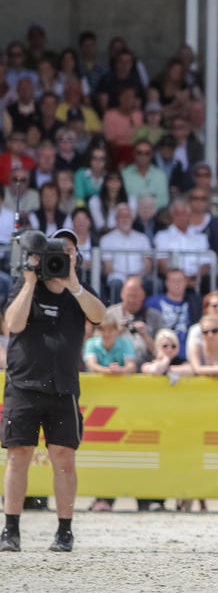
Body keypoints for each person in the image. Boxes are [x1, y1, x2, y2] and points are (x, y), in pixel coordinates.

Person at [1, 228, 105, 553]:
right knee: (18, 456)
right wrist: (31, 280)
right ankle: (10, 529)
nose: (63, 254)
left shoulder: (79, 293)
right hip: (23, 384)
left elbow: (100, 315)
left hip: (63, 387)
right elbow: (13, 324)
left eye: (69, 250)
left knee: (64, 458)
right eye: (57, 249)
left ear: (77, 257)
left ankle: (64, 531)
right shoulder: (26, 284)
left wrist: (74, 285)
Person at [144, 268, 201, 359]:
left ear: (186, 282)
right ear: (166, 283)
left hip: (186, 356)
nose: (177, 284)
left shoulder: (195, 303)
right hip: (159, 354)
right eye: (173, 281)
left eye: (180, 281)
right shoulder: (153, 302)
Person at [105, 276, 163, 365]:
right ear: (121, 294)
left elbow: (163, 351)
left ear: (143, 295)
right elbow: (98, 346)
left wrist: (145, 336)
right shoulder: (110, 314)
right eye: (129, 295)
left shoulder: (155, 316)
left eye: (135, 296)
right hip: (114, 367)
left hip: (145, 369)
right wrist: (116, 332)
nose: (132, 300)